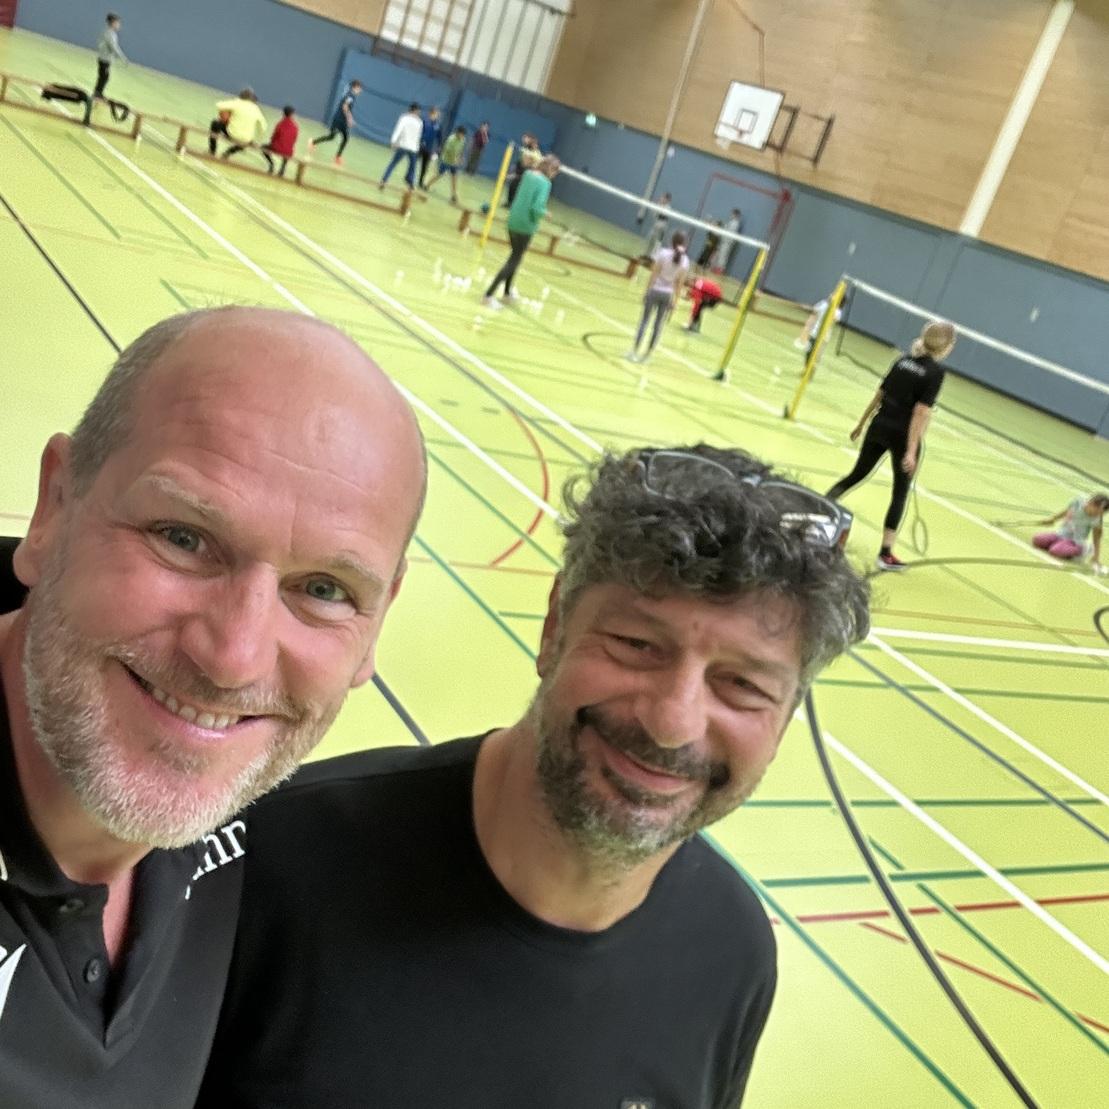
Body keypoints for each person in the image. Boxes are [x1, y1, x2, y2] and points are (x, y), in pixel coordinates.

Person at [197, 443, 868, 1108]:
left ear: (786, 716)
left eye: (743, 685)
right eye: (636, 645)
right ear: (554, 626)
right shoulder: (266, 863)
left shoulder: (732, 952)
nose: (672, 722)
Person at [0, 307, 427, 1108]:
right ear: (54, 506)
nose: (232, 657)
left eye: (325, 589)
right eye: (183, 537)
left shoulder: (259, 843)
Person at [827, 319, 957, 571]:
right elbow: (920, 412)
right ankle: (885, 554)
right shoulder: (935, 373)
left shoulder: (902, 361)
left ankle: (819, 506)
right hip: (902, 435)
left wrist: (861, 423)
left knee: (857, 474)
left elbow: (880, 394)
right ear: (946, 347)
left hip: (879, 425)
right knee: (900, 492)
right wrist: (911, 451)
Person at [483, 154, 560, 309]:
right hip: (526, 225)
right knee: (514, 260)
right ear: (551, 169)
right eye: (555, 172)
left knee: (515, 256)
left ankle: (506, 293)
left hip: (513, 220)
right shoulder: (545, 183)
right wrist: (545, 214)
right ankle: (488, 295)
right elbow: (536, 208)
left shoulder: (528, 174)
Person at [626, 231, 689, 363]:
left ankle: (634, 352)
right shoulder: (685, 261)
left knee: (644, 321)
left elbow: (654, 274)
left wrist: (647, 291)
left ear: (672, 241)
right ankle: (647, 356)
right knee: (658, 326)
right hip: (667, 295)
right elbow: (680, 284)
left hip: (655, 291)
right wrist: (675, 301)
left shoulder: (663, 253)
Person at [1034, 494, 1107, 569]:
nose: (1097, 514)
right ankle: (1060, 545)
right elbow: (1067, 511)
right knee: (1038, 540)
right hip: (1061, 534)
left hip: (1075, 541)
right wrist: (1053, 519)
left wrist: (1096, 556)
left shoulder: (1096, 520)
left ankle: (1082, 551)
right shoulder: (1078, 502)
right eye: (1096, 511)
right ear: (1090, 503)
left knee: (1055, 551)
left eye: (1101, 513)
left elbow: (1096, 539)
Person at [208, 88, 271, 171]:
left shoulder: (237, 103)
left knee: (215, 123)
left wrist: (230, 111)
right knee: (246, 141)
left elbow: (219, 105)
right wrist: (258, 138)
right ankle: (227, 153)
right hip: (246, 139)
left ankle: (212, 151)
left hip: (232, 133)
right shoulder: (256, 108)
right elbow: (264, 126)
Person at [307, 79, 361, 166]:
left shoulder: (350, 95)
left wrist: (348, 119)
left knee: (345, 138)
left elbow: (346, 107)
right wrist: (350, 119)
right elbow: (345, 107)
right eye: (359, 88)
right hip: (338, 120)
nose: (360, 91)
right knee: (331, 137)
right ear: (355, 87)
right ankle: (313, 142)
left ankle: (337, 157)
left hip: (343, 121)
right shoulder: (350, 96)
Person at [379, 103, 422, 190]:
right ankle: (386, 181)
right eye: (418, 111)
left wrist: (393, 141)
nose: (419, 112)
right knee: (411, 166)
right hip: (408, 146)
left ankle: (385, 180)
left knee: (404, 165)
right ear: (415, 110)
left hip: (408, 146)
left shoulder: (417, 121)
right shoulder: (411, 119)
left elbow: (417, 135)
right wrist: (393, 141)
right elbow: (399, 129)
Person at [426, 124, 466, 203]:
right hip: (446, 161)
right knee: (439, 174)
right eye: (461, 134)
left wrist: (460, 157)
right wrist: (455, 159)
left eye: (463, 135)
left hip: (454, 163)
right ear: (458, 133)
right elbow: (447, 150)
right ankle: (427, 185)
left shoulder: (463, 140)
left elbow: (460, 150)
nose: (462, 136)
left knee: (454, 177)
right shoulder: (451, 139)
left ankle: (453, 195)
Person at [93, 12, 127, 101]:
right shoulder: (109, 33)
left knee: (104, 77)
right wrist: (122, 57)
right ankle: (97, 94)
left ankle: (98, 93)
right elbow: (113, 46)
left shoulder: (110, 33)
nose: (119, 25)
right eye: (117, 23)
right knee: (104, 77)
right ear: (113, 23)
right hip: (104, 59)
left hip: (105, 59)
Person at [506, 132, 542, 205]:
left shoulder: (536, 152)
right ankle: (509, 203)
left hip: (529, 172)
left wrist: (515, 175)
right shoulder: (524, 149)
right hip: (521, 170)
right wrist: (514, 171)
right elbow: (521, 161)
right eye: (523, 138)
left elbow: (533, 165)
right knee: (512, 186)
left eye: (526, 138)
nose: (524, 139)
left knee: (519, 188)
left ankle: (514, 204)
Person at [263, 105, 298, 177]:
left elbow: (274, 136)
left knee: (263, 147)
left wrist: (272, 143)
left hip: (277, 148)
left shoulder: (280, 123)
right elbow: (294, 139)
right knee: (288, 151)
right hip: (289, 151)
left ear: (283, 113)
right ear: (292, 114)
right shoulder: (295, 126)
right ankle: (282, 169)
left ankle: (271, 165)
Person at [417, 106, 443, 189]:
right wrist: (420, 141)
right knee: (414, 162)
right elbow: (419, 132)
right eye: (435, 114)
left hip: (429, 149)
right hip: (420, 147)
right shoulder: (424, 122)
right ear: (430, 113)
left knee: (424, 167)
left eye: (437, 114)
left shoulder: (438, 125)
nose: (436, 116)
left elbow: (439, 137)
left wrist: (439, 147)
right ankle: (410, 178)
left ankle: (420, 182)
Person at [643, 191, 672, 258]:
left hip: (662, 225)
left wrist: (658, 207)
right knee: (650, 240)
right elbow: (654, 213)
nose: (661, 198)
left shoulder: (668, 208)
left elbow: (662, 215)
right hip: (656, 223)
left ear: (667, 200)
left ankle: (653, 257)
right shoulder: (658, 204)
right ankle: (646, 254)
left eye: (663, 197)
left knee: (657, 243)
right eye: (662, 197)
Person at [721, 207, 743, 272]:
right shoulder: (731, 222)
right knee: (722, 254)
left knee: (724, 255)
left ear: (735, 215)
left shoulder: (735, 223)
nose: (731, 215)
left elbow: (730, 233)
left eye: (732, 214)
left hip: (727, 242)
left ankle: (720, 269)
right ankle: (719, 268)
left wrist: (727, 241)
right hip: (725, 241)